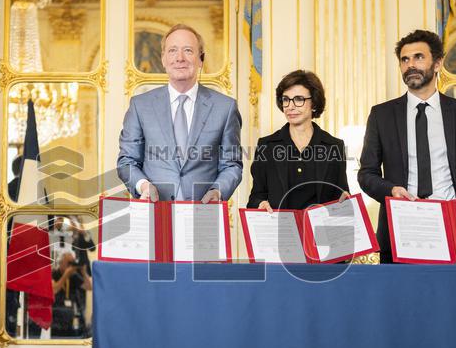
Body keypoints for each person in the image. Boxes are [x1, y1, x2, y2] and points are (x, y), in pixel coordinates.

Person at [357, 29, 456, 264]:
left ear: (437, 63)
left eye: (419, 57)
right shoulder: (382, 115)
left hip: (453, 225)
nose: (410, 65)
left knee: (450, 299)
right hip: (401, 225)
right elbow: (367, 174)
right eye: (405, 60)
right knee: (402, 301)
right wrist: (392, 191)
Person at [117, 23, 242, 203]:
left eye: (188, 51)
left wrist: (218, 190)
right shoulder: (140, 105)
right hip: (155, 213)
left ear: (201, 59)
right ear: (163, 59)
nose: (179, 58)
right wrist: (143, 185)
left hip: (203, 215)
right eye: (172, 51)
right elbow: (127, 161)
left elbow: (232, 165)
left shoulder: (226, 107)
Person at [247, 70, 350, 212]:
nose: (290, 106)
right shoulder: (266, 146)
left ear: (314, 103)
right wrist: (260, 203)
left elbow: (341, 194)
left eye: (299, 99)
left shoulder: (334, 146)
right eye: (285, 99)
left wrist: (345, 201)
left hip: (319, 231)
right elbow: (256, 196)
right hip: (281, 230)